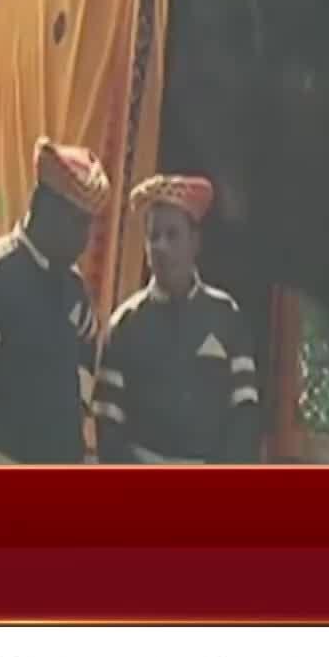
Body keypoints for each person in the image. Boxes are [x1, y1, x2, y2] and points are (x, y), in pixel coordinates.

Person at [0, 136, 110, 465]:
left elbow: (87, 353)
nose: (83, 239)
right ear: (42, 205)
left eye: (88, 226)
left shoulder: (74, 289)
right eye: (76, 222)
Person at [94, 174, 261, 464]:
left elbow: (244, 415)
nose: (161, 246)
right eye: (153, 236)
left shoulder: (226, 318)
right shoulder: (125, 325)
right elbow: (108, 426)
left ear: (195, 242)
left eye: (172, 235)